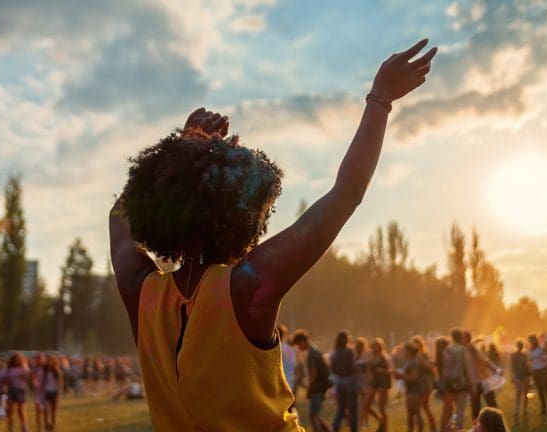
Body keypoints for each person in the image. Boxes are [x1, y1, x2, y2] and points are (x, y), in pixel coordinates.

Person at [109, 38, 437, 431]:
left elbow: (119, 218)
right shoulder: (247, 286)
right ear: (244, 215)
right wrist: (380, 99)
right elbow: (346, 194)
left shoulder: (143, 293)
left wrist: (181, 150)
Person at [292, 330, 332, 432]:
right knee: (316, 415)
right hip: (321, 386)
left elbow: (313, 373)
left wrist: (309, 387)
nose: (298, 348)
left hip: (316, 387)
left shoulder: (312, 354)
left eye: (298, 344)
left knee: (313, 416)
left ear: (302, 341)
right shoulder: (316, 350)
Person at [464, 332, 500, 421]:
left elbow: (484, 360)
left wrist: (495, 369)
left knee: (490, 404)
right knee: (477, 406)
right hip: (475, 382)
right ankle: (477, 427)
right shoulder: (466, 350)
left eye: (462, 338)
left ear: (467, 339)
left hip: (483, 380)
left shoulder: (472, 349)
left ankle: (498, 424)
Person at [441, 329, 471, 431]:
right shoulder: (464, 350)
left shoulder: (447, 350)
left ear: (452, 337)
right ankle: (458, 429)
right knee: (460, 411)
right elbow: (467, 368)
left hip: (449, 383)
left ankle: (449, 429)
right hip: (462, 383)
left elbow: (444, 367)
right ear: (461, 337)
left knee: (448, 410)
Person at [330, 330, 358, 432]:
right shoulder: (349, 352)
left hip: (339, 382)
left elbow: (332, 368)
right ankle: (354, 430)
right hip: (350, 381)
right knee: (353, 409)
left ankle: (334, 428)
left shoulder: (334, 353)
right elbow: (353, 366)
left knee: (340, 409)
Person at [394, 342, 425, 432]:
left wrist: (401, 375)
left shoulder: (414, 361)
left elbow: (414, 377)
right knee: (410, 413)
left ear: (409, 351)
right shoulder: (409, 360)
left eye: (404, 349)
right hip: (410, 389)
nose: (402, 351)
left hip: (415, 389)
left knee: (416, 412)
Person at [363, 337, 392, 432]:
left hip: (383, 381)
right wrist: (367, 381)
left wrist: (382, 371)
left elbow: (389, 371)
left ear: (380, 347)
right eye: (373, 346)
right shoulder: (369, 356)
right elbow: (368, 371)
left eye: (376, 346)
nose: (374, 348)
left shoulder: (384, 357)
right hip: (374, 382)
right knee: (366, 404)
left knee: (381, 406)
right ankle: (380, 421)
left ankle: (384, 428)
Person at [410, 336, 436, 432]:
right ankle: (431, 427)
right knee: (424, 406)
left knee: (423, 406)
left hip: (425, 384)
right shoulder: (415, 357)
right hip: (420, 385)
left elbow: (429, 367)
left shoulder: (423, 355)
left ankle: (429, 427)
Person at [4, 352, 31, 432]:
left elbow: (28, 376)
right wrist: (7, 381)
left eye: (19, 359)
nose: (17, 360)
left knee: (21, 409)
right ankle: (11, 427)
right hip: (12, 389)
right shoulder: (9, 368)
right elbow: (5, 379)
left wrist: (24, 374)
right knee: (11, 409)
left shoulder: (24, 367)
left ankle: (24, 427)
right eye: (15, 359)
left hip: (21, 389)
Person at [528, 334, 547, 415]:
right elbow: (530, 360)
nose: (530, 342)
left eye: (531, 340)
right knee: (540, 391)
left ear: (534, 340)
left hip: (543, 370)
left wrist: (545, 359)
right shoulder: (530, 350)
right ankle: (543, 409)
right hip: (536, 372)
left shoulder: (541, 348)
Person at [354, 336, 373, 428]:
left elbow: (368, 370)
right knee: (361, 403)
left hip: (364, 380)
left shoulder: (366, 355)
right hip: (358, 380)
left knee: (364, 403)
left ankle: (362, 422)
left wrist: (369, 382)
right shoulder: (354, 356)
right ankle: (364, 422)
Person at [42, 354, 63, 431]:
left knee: (53, 410)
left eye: (51, 360)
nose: (49, 362)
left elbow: (60, 383)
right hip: (46, 392)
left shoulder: (57, 371)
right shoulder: (45, 371)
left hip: (54, 392)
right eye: (48, 360)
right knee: (45, 409)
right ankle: (46, 423)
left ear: (54, 362)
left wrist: (59, 394)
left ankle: (53, 425)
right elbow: (43, 382)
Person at [509, 340, 530, 418]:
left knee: (525, 394)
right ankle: (516, 411)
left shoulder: (524, 355)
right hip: (518, 375)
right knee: (518, 393)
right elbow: (512, 367)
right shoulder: (514, 355)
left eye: (521, 346)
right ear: (517, 346)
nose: (520, 347)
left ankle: (524, 411)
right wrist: (512, 375)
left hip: (525, 374)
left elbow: (527, 365)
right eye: (519, 346)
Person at [278, 324, 298, 395]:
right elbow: (295, 365)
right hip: (291, 381)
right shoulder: (290, 349)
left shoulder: (275, 349)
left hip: (279, 382)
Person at [31, 353, 46, 432]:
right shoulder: (35, 368)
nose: (37, 360)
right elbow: (33, 378)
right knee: (38, 410)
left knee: (45, 410)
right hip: (38, 392)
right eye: (36, 359)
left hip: (45, 391)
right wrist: (34, 382)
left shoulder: (46, 368)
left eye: (39, 359)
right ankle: (39, 427)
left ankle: (46, 424)